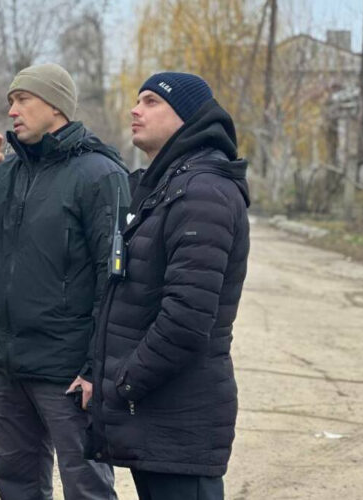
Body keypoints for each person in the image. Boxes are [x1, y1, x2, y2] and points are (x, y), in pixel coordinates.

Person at [0, 63, 128, 500]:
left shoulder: (99, 175)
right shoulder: (4, 172)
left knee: (87, 489)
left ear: (55, 105)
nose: (12, 110)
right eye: (10, 101)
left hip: (69, 374)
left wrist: (97, 369)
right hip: (8, 368)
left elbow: (114, 282)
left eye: (23, 99)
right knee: (17, 486)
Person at [88, 72, 250, 500]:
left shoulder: (203, 192)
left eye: (151, 101)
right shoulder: (168, 186)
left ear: (186, 116)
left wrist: (124, 383)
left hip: (180, 416)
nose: (135, 110)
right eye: (137, 100)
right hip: (159, 413)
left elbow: (186, 319)